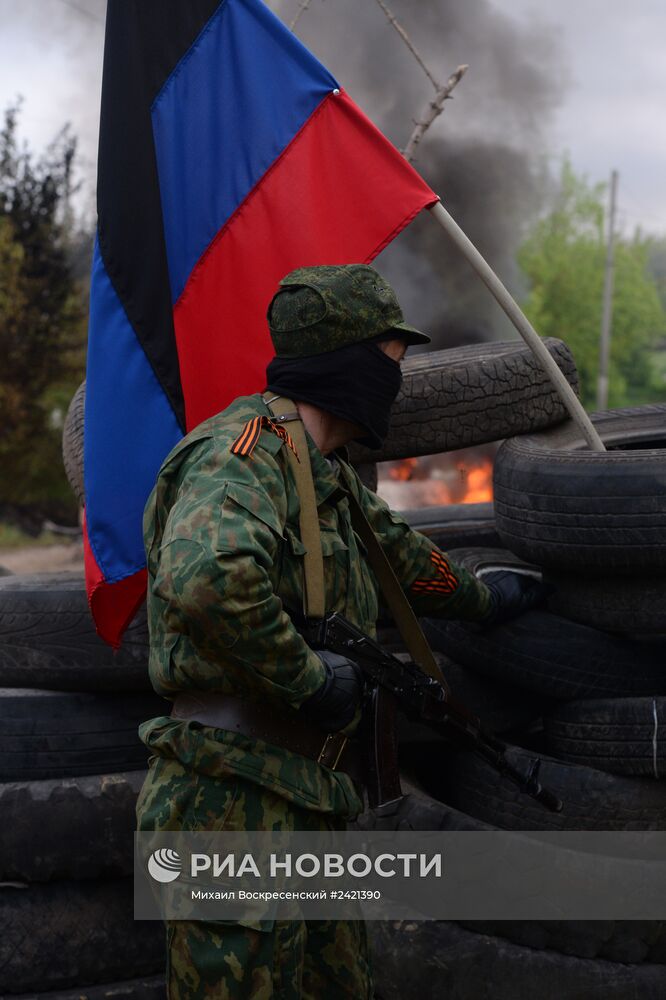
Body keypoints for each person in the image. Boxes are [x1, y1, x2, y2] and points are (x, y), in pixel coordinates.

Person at [136, 263, 544, 999]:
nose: (397, 382)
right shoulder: (243, 456)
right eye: (390, 363)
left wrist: (484, 601)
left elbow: (400, 555)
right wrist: (309, 677)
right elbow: (205, 579)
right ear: (346, 360)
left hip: (308, 798)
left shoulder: (322, 476)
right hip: (230, 802)